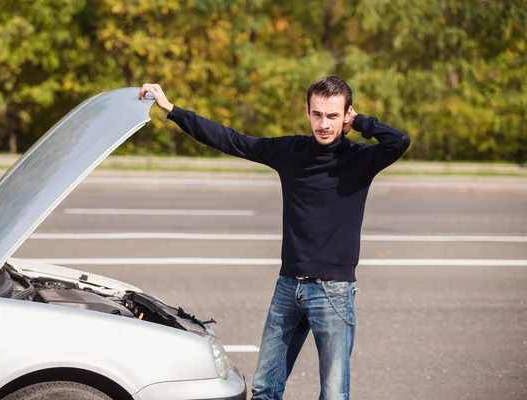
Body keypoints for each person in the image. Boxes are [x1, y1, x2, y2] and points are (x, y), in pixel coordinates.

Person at [139, 76, 410, 400]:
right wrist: (171, 109)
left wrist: (363, 123)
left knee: (334, 394)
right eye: (317, 114)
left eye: (333, 116)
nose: (323, 124)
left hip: (333, 293)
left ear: (346, 116)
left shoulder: (360, 159)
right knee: (265, 388)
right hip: (288, 287)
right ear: (308, 112)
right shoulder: (289, 150)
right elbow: (231, 140)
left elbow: (399, 141)